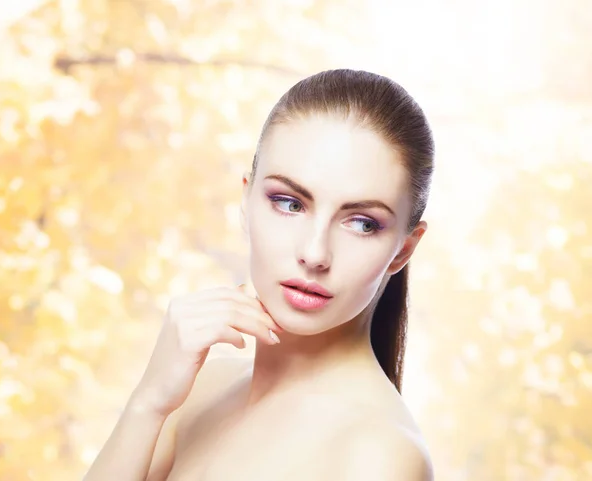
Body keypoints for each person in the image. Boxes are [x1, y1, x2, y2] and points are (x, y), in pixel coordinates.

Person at [83, 68, 435, 481]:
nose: (314, 253)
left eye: (361, 223)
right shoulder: (200, 391)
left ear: (404, 249)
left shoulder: (379, 455)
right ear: (246, 201)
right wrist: (148, 403)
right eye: (289, 203)